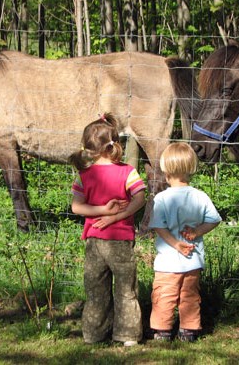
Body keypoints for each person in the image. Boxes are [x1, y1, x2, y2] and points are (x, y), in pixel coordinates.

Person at [69, 113, 146, 347]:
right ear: (114, 145)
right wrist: (119, 215)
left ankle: (93, 333)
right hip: (121, 240)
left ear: (89, 148)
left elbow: (76, 207)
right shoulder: (127, 172)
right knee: (126, 289)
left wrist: (103, 211)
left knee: (95, 291)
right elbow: (140, 198)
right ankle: (128, 335)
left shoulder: (84, 176)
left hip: (94, 241)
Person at [148, 142, 222, 342]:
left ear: (166, 171)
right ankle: (188, 330)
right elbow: (214, 219)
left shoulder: (162, 198)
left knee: (164, 295)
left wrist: (175, 243)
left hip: (168, 262)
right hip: (193, 260)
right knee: (190, 295)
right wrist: (197, 231)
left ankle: (162, 330)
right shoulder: (200, 196)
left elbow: (158, 226)